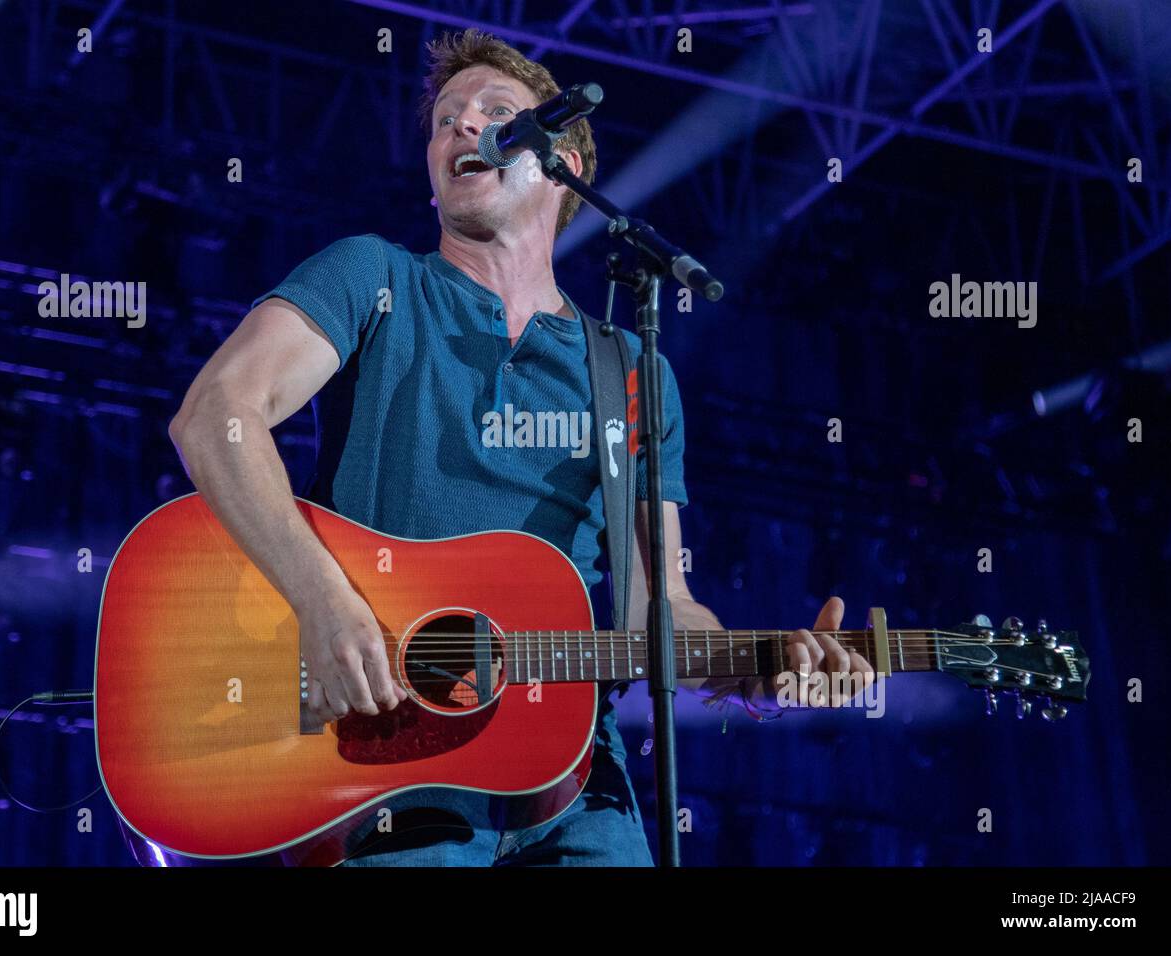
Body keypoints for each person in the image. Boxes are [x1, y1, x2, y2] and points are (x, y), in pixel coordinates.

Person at [168, 28, 873, 866]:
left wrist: (757, 671)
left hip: (575, 783)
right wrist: (322, 603)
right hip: (382, 762)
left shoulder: (633, 372)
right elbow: (218, 414)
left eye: (496, 114)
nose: (462, 128)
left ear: (564, 160)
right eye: (444, 120)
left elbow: (663, 609)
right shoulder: (374, 279)